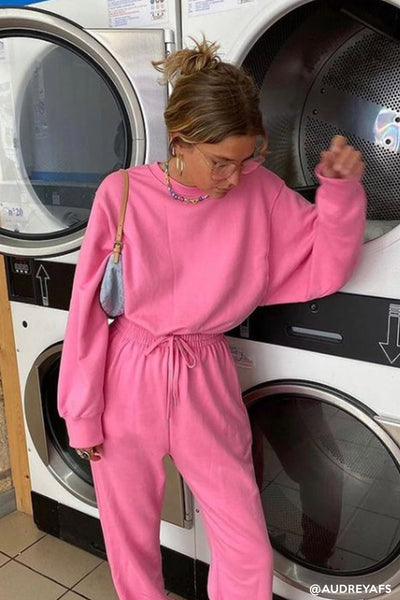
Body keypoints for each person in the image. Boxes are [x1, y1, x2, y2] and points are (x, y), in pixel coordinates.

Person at [57, 38, 366, 600]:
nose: (233, 177)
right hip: (127, 375)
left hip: (206, 375)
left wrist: (340, 193)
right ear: (180, 140)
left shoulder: (260, 191)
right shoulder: (121, 195)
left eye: (245, 159)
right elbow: (89, 312)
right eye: (220, 162)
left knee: (246, 544)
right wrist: (82, 414)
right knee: (131, 543)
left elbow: (324, 264)